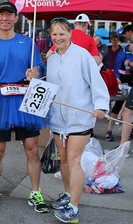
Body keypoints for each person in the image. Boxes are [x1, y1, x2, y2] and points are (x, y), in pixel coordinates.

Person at [0, 1, 49, 212]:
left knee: (32, 149)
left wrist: (36, 73)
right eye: (1, 15)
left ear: (16, 18)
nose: (5, 18)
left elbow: (39, 71)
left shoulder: (28, 43)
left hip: (25, 99)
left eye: (9, 14)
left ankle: (35, 193)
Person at [46, 17, 109, 223]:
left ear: (70, 33)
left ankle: (74, 206)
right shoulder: (52, 58)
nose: (58, 38)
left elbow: (96, 81)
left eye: (62, 34)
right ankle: (67, 194)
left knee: (73, 160)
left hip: (80, 117)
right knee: (63, 159)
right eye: (54, 34)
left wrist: (100, 105)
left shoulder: (82, 55)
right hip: (58, 119)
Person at [105, 34, 123, 142]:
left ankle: (109, 130)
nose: (114, 41)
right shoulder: (107, 49)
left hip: (119, 77)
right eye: (113, 39)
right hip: (107, 75)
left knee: (119, 102)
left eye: (116, 39)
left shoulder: (122, 51)